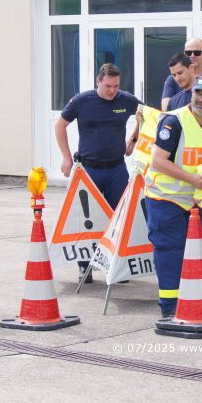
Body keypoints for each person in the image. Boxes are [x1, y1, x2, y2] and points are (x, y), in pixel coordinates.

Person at [145, 75, 202, 317]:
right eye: (197, 93)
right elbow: (158, 161)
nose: (200, 98)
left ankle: (201, 301)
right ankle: (170, 309)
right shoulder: (174, 121)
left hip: (198, 198)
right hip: (166, 198)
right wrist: (192, 179)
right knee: (171, 253)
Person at [55, 63, 141, 282]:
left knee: (119, 219)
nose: (113, 90)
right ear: (98, 82)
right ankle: (85, 267)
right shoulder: (82, 101)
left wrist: (133, 140)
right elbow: (60, 126)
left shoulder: (126, 100)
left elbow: (146, 117)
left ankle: (117, 267)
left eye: (116, 86)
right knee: (87, 220)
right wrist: (66, 157)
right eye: (108, 86)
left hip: (116, 169)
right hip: (89, 170)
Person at [160, 37, 202, 115]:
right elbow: (166, 108)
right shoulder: (173, 79)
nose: (192, 55)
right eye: (188, 53)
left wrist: (188, 115)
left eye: (197, 52)